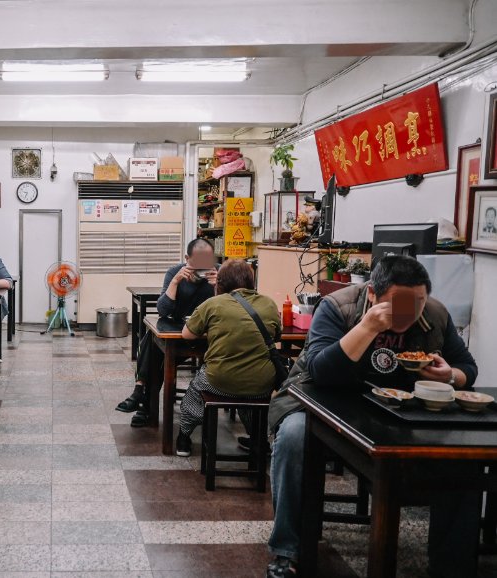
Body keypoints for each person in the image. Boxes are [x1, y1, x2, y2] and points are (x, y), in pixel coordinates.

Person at [266, 255, 479, 578]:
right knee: (293, 437)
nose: (408, 311)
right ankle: (286, 550)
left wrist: (450, 376)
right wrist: (367, 328)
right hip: (321, 401)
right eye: (398, 303)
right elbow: (320, 372)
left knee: (463, 456)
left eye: (417, 301)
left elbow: (468, 368)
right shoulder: (338, 307)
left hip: (393, 409)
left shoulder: (435, 314)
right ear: (371, 294)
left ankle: (453, 566)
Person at [175, 259, 281, 456]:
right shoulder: (269, 304)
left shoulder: (213, 304)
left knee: (194, 393)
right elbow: (276, 335)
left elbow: (186, 334)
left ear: (220, 282)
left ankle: (183, 438)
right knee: (251, 394)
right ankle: (259, 440)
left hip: (220, 380)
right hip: (261, 383)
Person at [115, 238, 217, 427]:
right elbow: (163, 310)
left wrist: (218, 287)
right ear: (187, 258)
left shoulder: (218, 274)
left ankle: (142, 401)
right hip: (177, 333)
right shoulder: (174, 273)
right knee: (153, 344)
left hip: (207, 337)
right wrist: (176, 281)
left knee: (156, 354)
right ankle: (142, 399)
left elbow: (230, 308)